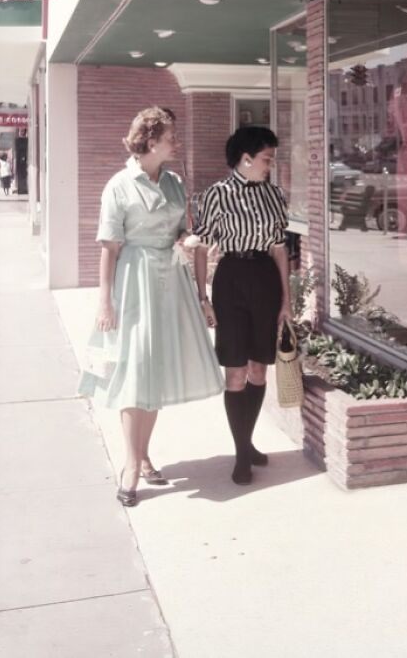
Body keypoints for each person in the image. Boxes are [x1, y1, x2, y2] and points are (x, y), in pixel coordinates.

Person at [78, 107, 224, 507]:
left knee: (155, 371)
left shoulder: (175, 183)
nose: (177, 142)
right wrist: (104, 302)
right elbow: (109, 248)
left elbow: (183, 233)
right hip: (134, 281)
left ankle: (143, 456)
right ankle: (129, 464)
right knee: (134, 371)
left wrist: (198, 281)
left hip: (171, 282)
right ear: (151, 140)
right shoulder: (120, 185)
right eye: (172, 136)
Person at [193, 126, 291, 485]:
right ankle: (241, 454)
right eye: (267, 158)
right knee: (234, 371)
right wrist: (203, 298)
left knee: (259, 370)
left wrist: (287, 301)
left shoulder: (275, 195)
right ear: (246, 158)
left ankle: (247, 442)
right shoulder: (215, 195)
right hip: (231, 279)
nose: (271, 165)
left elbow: (280, 249)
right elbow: (201, 247)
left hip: (264, 277)